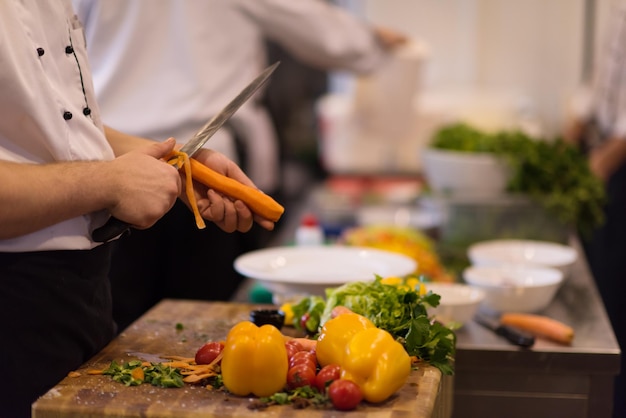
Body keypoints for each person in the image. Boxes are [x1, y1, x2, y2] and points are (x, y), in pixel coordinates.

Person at [0, 2, 275, 417]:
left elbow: (57, 126)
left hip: (80, 292)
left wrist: (182, 162)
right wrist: (108, 182)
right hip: (13, 309)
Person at [72, 0, 407, 330]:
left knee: (127, 324)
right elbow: (317, 27)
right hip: (190, 173)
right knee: (203, 323)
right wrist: (370, 40)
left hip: (123, 159)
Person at [564, 0, 626, 415]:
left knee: (617, 299)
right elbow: (612, 64)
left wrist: (603, 161)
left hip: (617, 159)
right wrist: (580, 115)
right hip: (604, 146)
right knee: (602, 284)